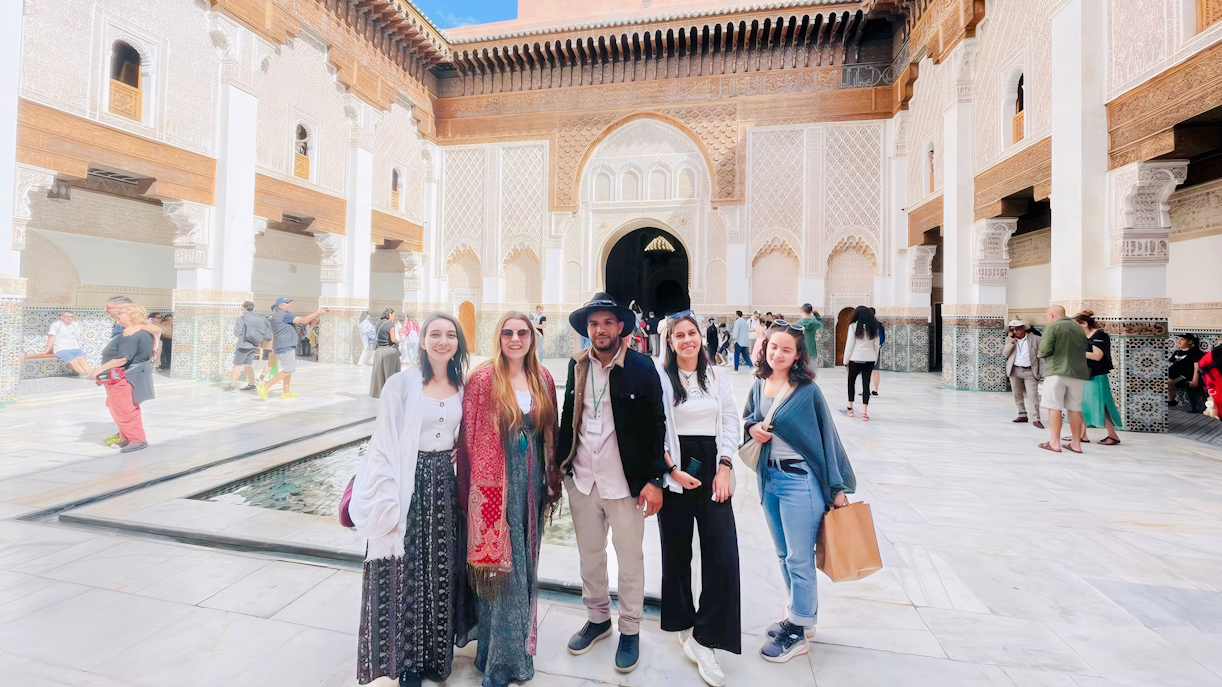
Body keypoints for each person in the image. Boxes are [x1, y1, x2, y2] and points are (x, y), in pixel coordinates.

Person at [350, 312, 476, 687]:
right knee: (407, 569)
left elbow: (466, 435)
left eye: (450, 335)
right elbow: (384, 442)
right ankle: (406, 663)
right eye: (434, 334)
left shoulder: (463, 386)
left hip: (444, 485)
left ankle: (435, 656)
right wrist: (386, 498)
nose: (442, 341)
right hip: (407, 482)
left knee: (441, 568)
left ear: (458, 343)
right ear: (421, 341)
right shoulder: (401, 384)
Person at [558, 293, 666, 673]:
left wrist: (654, 479)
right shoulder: (577, 366)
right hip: (584, 480)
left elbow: (656, 424)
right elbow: (568, 416)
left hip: (624, 484)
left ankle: (630, 629)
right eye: (593, 324)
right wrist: (561, 469)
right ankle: (598, 618)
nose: (600, 330)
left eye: (606, 322)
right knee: (590, 555)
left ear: (620, 326)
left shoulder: (640, 367)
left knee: (630, 559)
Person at [457, 311, 561, 687]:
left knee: (524, 566)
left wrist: (550, 479)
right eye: (508, 333)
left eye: (522, 333)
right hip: (495, 486)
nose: (515, 339)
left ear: (532, 337)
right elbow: (469, 437)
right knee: (502, 570)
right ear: (498, 338)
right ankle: (500, 661)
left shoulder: (543, 378)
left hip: (531, 482)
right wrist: (475, 493)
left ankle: (509, 650)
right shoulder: (484, 379)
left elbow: (551, 433)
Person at [743, 322, 855, 662]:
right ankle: (800, 617)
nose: (778, 354)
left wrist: (837, 488)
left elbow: (827, 438)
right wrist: (753, 427)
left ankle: (798, 630)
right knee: (783, 554)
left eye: (786, 349)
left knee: (799, 557)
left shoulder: (808, 392)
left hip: (799, 482)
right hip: (769, 480)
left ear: (797, 356)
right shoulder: (759, 384)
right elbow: (747, 419)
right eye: (773, 347)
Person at [656, 312, 740, 687]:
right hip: (675, 468)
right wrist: (672, 470)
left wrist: (724, 467)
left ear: (701, 337)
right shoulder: (662, 379)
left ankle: (705, 636)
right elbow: (655, 426)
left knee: (722, 553)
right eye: (680, 335)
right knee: (676, 551)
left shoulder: (717, 377)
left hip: (711, 466)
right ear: (670, 342)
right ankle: (683, 622)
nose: (688, 340)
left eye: (692, 333)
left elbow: (730, 421)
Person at [88, 302, 158, 453]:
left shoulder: (132, 334)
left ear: (132, 316)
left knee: (124, 409)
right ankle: (126, 437)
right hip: (128, 376)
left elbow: (123, 358)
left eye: (121, 313)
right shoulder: (136, 331)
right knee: (121, 407)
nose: (116, 315)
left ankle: (137, 440)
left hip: (126, 378)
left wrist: (97, 370)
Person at [1037, 304, 1090, 453]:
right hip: (1078, 373)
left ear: (1052, 315)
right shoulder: (1078, 328)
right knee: (1075, 409)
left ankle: (1054, 443)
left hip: (1056, 372)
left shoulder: (1053, 327)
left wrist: (1040, 354)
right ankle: (1076, 444)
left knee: (1054, 407)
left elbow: (1044, 349)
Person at [257, 298, 327, 400]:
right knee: (289, 370)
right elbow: (304, 320)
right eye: (287, 303)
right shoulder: (285, 315)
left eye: (290, 303)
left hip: (281, 346)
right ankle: (265, 386)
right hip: (286, 346)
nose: (289, 304)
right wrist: (318, 312)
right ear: (280, 306)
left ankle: (286, 391)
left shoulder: (276, 316)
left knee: (287, 369)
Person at [1069, 310, 1122, 445]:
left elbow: (1098, 356)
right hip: (1086, 375)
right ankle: (1082, 435)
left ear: (1084, 323)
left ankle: (1112, 435)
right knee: (1083, 403)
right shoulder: (1084, 336)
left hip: (1097, 376)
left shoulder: (1099, 335)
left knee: (1102, 405)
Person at [839, 306, 880, 421]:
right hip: (870, 359)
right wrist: (874, 358)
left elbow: (849, 345)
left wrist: (845, 361)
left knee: (851, 382)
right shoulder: (873, 326)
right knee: (866, 384)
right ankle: (864, 413)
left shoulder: (853, 326)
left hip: (855, 359)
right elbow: (876, 345)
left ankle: (850, 409)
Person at [1003, 320, 1044, 428]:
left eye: (1017, 329)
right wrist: (1011, 343)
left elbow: (1042, 357)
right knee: (1017, 394)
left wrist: (1041, 372)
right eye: (1013, 329)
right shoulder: (1010, 340)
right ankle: (1022, 414)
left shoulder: (1036, 339)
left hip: (1030, 371)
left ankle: (1036, 418)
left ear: (1023, 328)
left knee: (1032, 395)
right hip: (1014, 370)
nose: (1015, 331)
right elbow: (1005, 354)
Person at [227, 301, 272, 391]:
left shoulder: (241, 319)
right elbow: (265, 334)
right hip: (253, 345)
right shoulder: (259, 319)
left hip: (243, 345)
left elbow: (237, 333)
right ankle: (251, 384)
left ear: (244, 308)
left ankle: (232, 385)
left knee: (237, 365)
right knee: (248, 365)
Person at [43, 310, 89, 376]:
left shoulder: (75, 325)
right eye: (67, 316)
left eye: (71, 317)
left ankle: (91, 375)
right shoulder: (56, 325)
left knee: (83, 361)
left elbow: (75, 336)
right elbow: (51, 338)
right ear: (61, 317)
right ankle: (87, 376)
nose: (69, 318)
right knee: (74, 362)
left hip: (75, 347)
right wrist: (46, 351)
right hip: (61, 349)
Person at [1168, 333, 1205, 411]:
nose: (1178, 341)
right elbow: (1170, 363)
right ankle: (1171, 400)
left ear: (1190, 342)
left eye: (1182, 339)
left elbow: (1197, 367)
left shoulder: (1195, 352)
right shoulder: (1177, 352)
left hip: (1183, 376)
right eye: (1178, 339)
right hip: (1172, 375)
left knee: (1166, 383)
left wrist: (1195, 380)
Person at [370, 309, 401, 398]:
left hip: (379, 351)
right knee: (391, 373)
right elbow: (393, 339)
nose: (394, 317)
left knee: (379, 374)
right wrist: (399, 341)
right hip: (389, 351)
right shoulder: (390, 324)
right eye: (393, 315)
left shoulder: (378, 324)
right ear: (389, 314)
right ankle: (391, 393)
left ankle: (379, 393)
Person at [869, 307, 885, 396]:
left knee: (867, 371)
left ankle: (866, 390)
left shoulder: (867, 325)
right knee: (875, 370)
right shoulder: (879, 325)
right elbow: (882, 339)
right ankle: (875, 390)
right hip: (877, 349)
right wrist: (879, 346)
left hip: (868, 350)